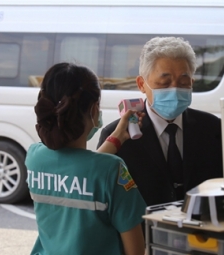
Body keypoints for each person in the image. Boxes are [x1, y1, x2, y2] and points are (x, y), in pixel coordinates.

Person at [25, 63, 146, 255]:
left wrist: (117, 137)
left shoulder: (34, 157)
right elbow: (136, 252)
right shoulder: (112, 170)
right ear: (93, 109)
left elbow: (82, 169)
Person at [97, 37, 223, 207]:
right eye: (164, 83)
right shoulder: (120, 136)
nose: (175, 89)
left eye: (183, 83)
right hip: (144, 231)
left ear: (192, 83)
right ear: (142, 84)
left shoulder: (212, 129)